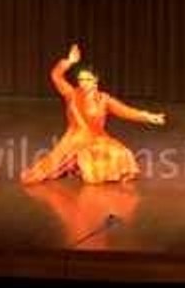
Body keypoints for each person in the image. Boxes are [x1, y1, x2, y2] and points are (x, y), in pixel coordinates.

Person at [21, 44, 166, 184]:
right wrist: (70, 62)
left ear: (96, 80)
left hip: (98, 139)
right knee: (83, 172)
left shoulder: (104, 99)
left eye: (88, 79)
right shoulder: (71, 94)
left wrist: (148, 116)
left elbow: (125, 111)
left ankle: (81, 163)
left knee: (123, 155)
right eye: (81, 79)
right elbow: (56, 76)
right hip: (75, 140)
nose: (83, 83)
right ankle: (77, 161)